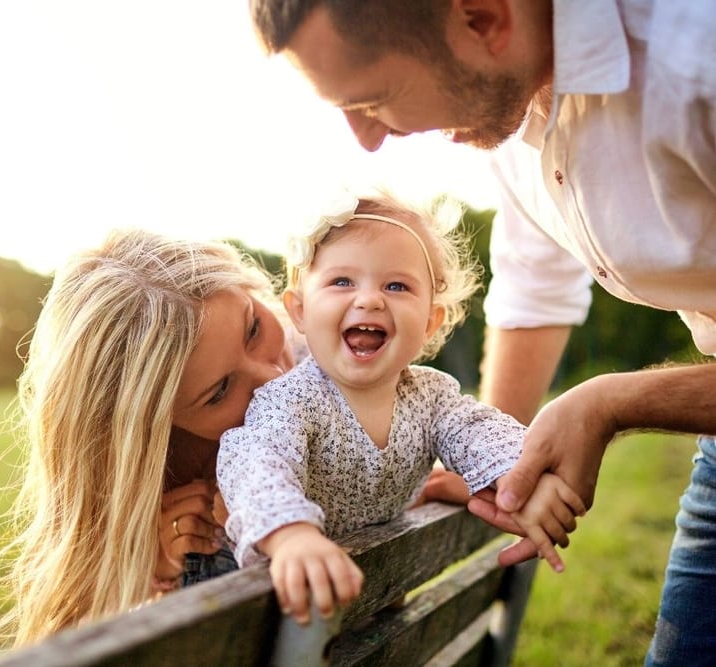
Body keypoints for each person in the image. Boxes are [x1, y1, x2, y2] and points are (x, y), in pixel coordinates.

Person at [247, 2, 716, 664]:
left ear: (482, 18)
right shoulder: (512, 109)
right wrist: (505, 470)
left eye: (374, 99)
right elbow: (534, 286)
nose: (367, 140)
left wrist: (613, 400)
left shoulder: (696, 64)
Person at [0, 226, 471, 655]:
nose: (271, 374)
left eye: (252, 328)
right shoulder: (163, 494)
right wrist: (149, 566)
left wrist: (404, 481)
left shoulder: (332, 365)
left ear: (256, 291)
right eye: (219, 390)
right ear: (158, 430)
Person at [217, 190, 585, 624]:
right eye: (342, 281)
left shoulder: (431, 398)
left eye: (396, 285)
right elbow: (255, 462)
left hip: (368, 603)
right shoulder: (292, 401)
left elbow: (480, 431)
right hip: (285, 607)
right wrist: (290, 534)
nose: (370, 299)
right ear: (299, 311)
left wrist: (521, 478)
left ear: (430, 321)